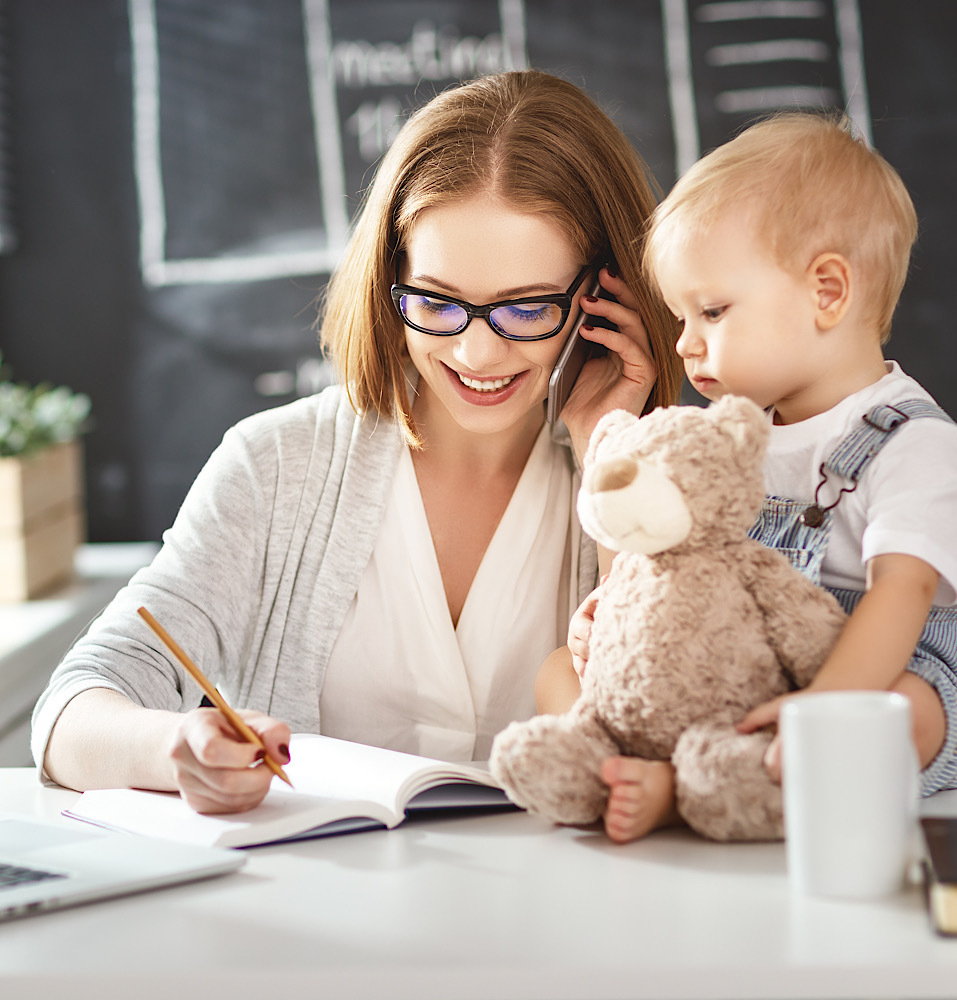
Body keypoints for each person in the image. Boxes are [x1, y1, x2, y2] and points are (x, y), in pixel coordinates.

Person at [32, 69, 680, 814]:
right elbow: (70, 715)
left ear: (601, 298)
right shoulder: (276, 466)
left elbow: (662, 735)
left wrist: (612, 450)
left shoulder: (657, 479)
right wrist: (174, 748)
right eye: (436, 301)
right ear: (390, 281)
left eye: (526, 308)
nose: (476, 356)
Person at [539, 111, 957, 843]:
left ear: (827, 292)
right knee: (560, 668)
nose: (687, 344)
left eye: (711, 311)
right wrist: (617, 613)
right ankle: (624, 760)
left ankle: (680, 787)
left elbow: (902, 596)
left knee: (909, 714)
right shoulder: (731, 439)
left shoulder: (919, 448)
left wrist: (823, 709)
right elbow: (669, 557)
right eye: (681, 317)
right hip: (739, 676)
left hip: (869, 685)